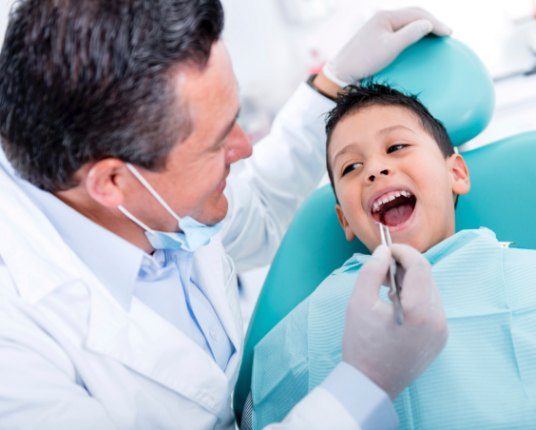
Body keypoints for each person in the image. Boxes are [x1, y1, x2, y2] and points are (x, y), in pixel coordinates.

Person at [0, 2, 451, 429]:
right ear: (111, 182)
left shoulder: (147, 190)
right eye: (217, 143)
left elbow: (255, 205)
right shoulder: (17, 350)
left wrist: (333, 82)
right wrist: (363, 386)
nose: (244, 147)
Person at [249, 83, 536, 429]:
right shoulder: (311, 322)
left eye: (396, 147)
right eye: (350, 167)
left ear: (456, 174)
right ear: (345, 221)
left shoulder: (525, 277)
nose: (374, 170)